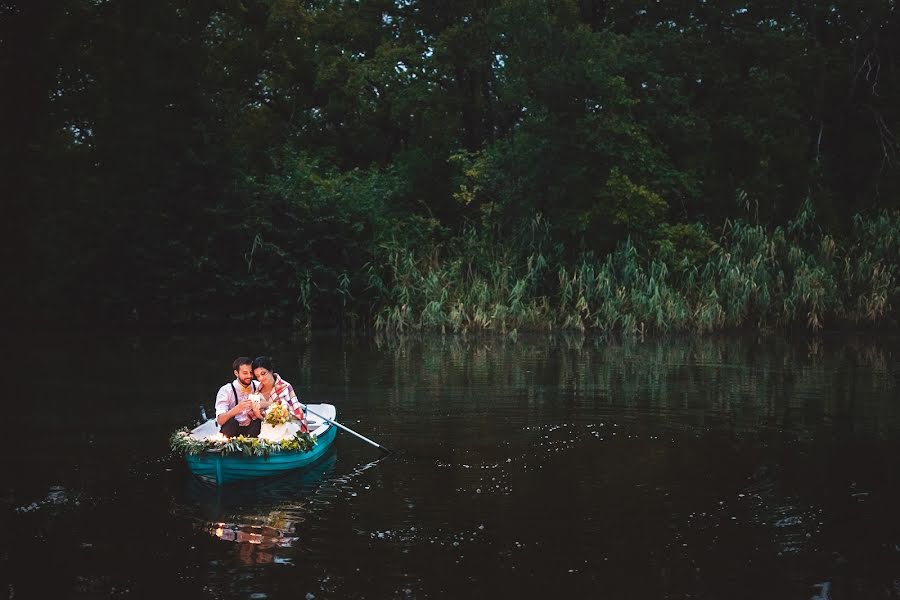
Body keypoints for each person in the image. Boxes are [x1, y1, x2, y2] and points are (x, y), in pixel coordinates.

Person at [251, 356, 309, 433]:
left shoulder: (285, 387)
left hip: (288, 426)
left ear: (270, 370)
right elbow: (261, 419)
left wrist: (268, 404)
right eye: (258, 376)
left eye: (263, 373)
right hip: (268, 429)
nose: (261, 378)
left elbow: (295, 413)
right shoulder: (257, 393)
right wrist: (258, 415)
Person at [215, 356, 262, 438]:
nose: (249, 376)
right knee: (231, 424)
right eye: (245, 373)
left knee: (258, 422)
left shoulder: (258, 386)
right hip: (232, 430)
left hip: (252, 429)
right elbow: (220, 420)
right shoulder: (226, 390)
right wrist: (237, 409)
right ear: (236, 373)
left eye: (251, 373)